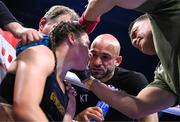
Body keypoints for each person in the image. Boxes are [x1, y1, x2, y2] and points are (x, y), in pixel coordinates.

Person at [77, 0, 180, 119]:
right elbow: (138, 107)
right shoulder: (167, 75)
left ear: (149, 19)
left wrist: (82, 27)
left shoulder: (170, 8)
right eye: (133, 41)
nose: (135, 41)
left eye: (135, 32)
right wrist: (87, 79)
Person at [0, 5, 90, 121]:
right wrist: (16, 28)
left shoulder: (66, 91)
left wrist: (70, 111)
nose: (60, 34)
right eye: (61, 28)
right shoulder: (40, 53)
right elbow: (25, 109)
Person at [73, 34, 158, 121]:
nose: (97, 62)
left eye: (105, 57)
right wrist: (78, 119)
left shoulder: (133, 81)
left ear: (117, 61)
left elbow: (149, 118)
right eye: (93, 54)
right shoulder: (73, 77)